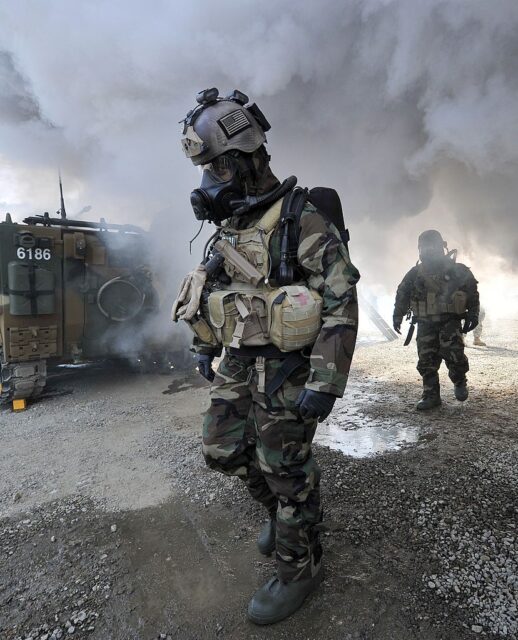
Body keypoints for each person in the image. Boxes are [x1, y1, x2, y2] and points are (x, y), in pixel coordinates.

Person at [172, 88, 359, 624]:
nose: (212, 185)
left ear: (249, 158)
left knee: (286, 468)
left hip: (289, 367)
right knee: (222, 448)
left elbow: (341, 302)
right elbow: (214, 295)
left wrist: (325, 381)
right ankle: (281, 515)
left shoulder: (302, 218)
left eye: (220, 170)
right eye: (209, 172)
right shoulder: (231, 228)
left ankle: (300, 565)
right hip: (240, 359)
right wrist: (206, 345)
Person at [393, 230, 479, 410]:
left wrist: (473, 314)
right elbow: (402, 294)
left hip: (450, 321)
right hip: (425, 323)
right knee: (426, 360)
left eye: (433, 246)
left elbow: (472, 292)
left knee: (454, 354)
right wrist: (397, 315)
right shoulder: (415, 273)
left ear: (442, 246)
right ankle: (431, 395)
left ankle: (459, 380)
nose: (429, 250)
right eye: (426, 246)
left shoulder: (457, 270)